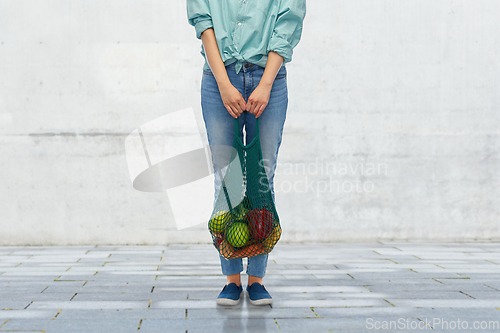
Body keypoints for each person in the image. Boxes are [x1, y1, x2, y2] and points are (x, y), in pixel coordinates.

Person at [187, 0, 306, 306]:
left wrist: (266, 83)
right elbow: (204, 23)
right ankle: (230, 278)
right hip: (218, 81)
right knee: (227, 179)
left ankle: (257, 279)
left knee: (261, 178)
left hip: (270, 80)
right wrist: (224, 84)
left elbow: (287, 22)